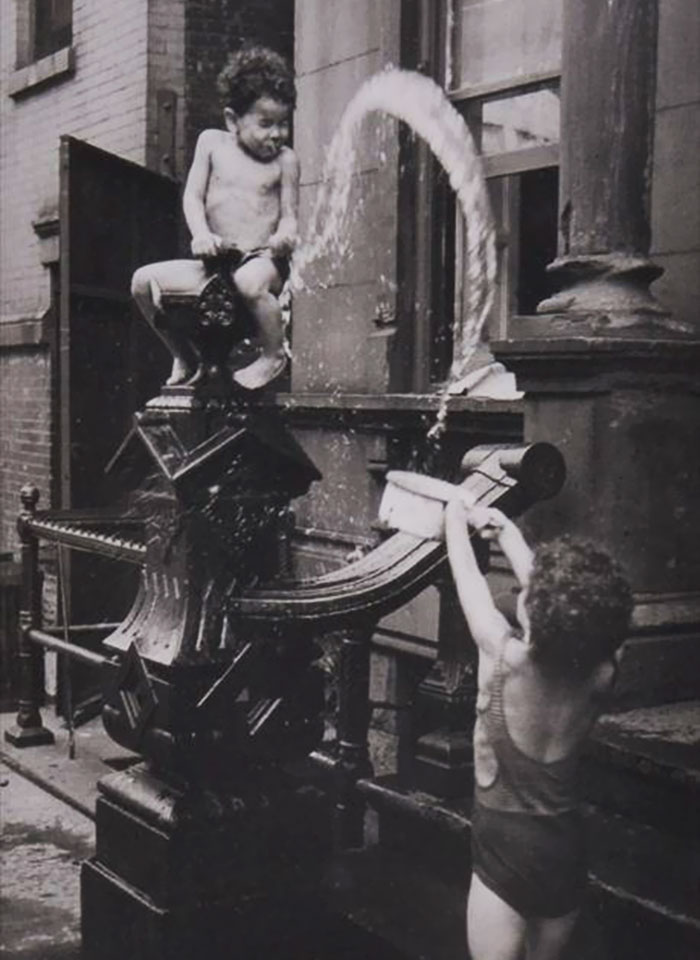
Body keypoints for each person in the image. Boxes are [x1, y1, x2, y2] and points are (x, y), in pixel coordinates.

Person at [444, 499, 632, 960]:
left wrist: (453, 518)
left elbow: (466, 576)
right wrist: (508, 532)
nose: (522, 591)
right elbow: (572, 609)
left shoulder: (500, 654)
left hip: (502, 854)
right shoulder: (603, 670)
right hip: (564, 850)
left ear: (538, 610)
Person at [131, 46, 299, 390]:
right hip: (216, 263)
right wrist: (201, 234)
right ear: (232, 120)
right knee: (142, 283)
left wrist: (284, 237)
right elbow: (192, 197)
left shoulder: (286, 160)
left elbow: (290, 217)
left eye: (283, 123)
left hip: (261, 261)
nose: (276, 134)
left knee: (249, 283)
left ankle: (272, 353)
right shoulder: (211, 144)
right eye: (266, 124)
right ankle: (183, 354)